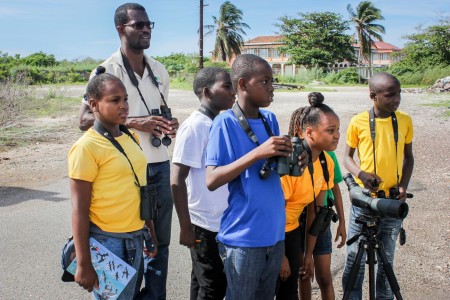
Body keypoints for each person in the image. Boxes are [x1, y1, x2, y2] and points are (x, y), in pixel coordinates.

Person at [77, 3, 179, 299]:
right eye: (139, 25)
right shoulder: (106, 70)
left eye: (149, 25)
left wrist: (166, 123)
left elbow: (156, 114)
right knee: (128, 243)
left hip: (159, 165)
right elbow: (84, 120)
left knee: (160, 245)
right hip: (124, 170)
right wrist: (138, 123)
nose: (146, 29)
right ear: (121, 29)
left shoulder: (159, 69)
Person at [205, 54, 307, 300]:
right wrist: (257, 153)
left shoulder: (269, 119)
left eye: (272, 81)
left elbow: (273, 168)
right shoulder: (224, 123)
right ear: (242, 84)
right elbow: (212, 179)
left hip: (273, 234)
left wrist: (299, 162)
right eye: (265, 82)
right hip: (243, 237)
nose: (272, 88)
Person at [69, 71, 156, 299]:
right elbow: (79, 209)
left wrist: (149, 231)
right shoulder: (86, 147)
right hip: (108, 243)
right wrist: (84, 263)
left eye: (125, 99)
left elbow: (140, 188)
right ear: (94, 104)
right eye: (115, 100)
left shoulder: (131, 138)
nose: (124, 105)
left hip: (136, 237)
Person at [341, 72, 414, 299]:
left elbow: (408, 157)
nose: (397, 99)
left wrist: (403, 185)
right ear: (373, 96)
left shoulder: (404, 121)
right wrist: (362, 173)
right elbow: (346, 158)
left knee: (387, 262)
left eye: (399, 94)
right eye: (390, 95)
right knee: (355, 260)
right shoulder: (358, 121)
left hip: (392, 203)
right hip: (365, 201)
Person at [171, 67, 235, 299]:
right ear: (208, 92)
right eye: (227, 86)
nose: (233, 91)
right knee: (212, 286)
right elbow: (177, 179)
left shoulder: (218, 122)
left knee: (202, 282)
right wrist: (186, 226)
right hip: (202, 223)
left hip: (220, 221)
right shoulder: (195, 126)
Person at [276, 92, 340, 300]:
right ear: (309, 132)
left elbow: (315, 212)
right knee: (274, 285)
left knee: (290, 290)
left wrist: (308, 255)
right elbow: (274, 212)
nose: (337, 136)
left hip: (293, 230)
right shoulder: (290, 162)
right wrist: (281, 256)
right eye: (330, 131)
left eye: (337, 130)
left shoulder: (325, 162)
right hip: (272, 233)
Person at [297, 150, 346, 300]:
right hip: (298, 220)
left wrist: (342, 222)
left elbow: (335, 188)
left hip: (320, 221)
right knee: (304, 274)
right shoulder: (296, 154)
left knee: (324, 277)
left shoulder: (328, 155)